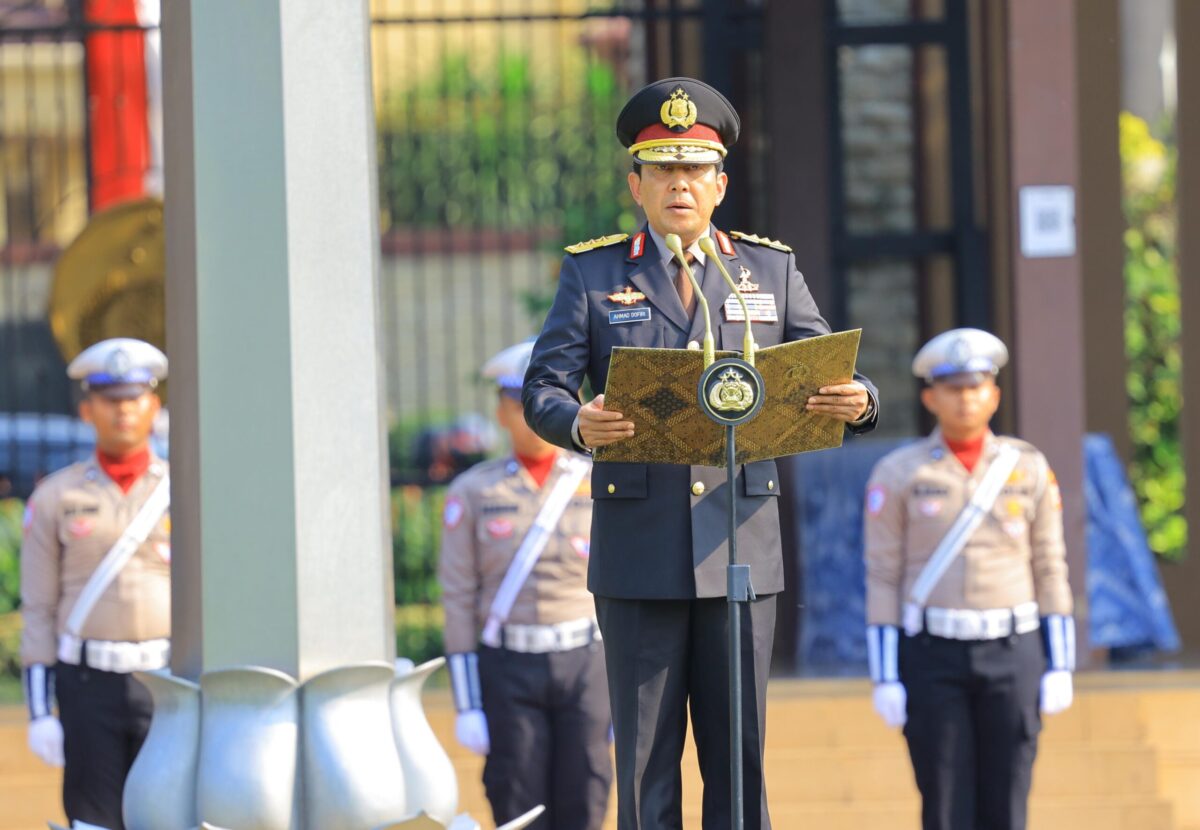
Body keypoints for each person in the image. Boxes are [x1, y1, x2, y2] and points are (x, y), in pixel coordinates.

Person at [523, 77, 879, 829]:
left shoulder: (764, 269)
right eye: (662, 169)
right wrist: (578, 424)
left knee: (738, 759)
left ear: (720, 185)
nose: (678, 184)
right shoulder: (593, 274)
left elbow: (820, 365)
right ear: (636, 184)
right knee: (647, 760)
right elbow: (544, 388)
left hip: (739, 544)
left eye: (694, 171)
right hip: (639, 550)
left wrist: (863, 399)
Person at [863, 328, 1075, 830]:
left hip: (1013, 647)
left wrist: (1061, 662)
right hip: (933, 650)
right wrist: (885, 675)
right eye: (953, 388)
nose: (966, 398)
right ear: (930, 397)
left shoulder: (1027, 466)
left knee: (1008, 799)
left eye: (976, 386)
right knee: (945, 800)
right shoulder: (899, 473)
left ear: (994, 394)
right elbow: (882, 575)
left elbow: (1050, 563)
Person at [439, 340, 612, 829]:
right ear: (500, 412)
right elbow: (457, 597)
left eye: (542, 402)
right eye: (518, 404)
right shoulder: (473, 491)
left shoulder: (601, 480)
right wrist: (467, 702)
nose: (531, 416)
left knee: (587, 795)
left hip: (586, 659)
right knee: (517, 798)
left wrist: (625, 689)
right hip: (509, 662)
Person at [20, 337, 171, 830]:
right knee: (94, 823)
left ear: (155, 405)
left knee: (169, 817)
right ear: (87, 410)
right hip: (88, 687)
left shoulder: (186, 490)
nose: (123, 411)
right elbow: (39, 607)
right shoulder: (56, 496)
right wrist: (42, 711)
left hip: (169, 683)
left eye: (134, 398)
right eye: (110, 400)